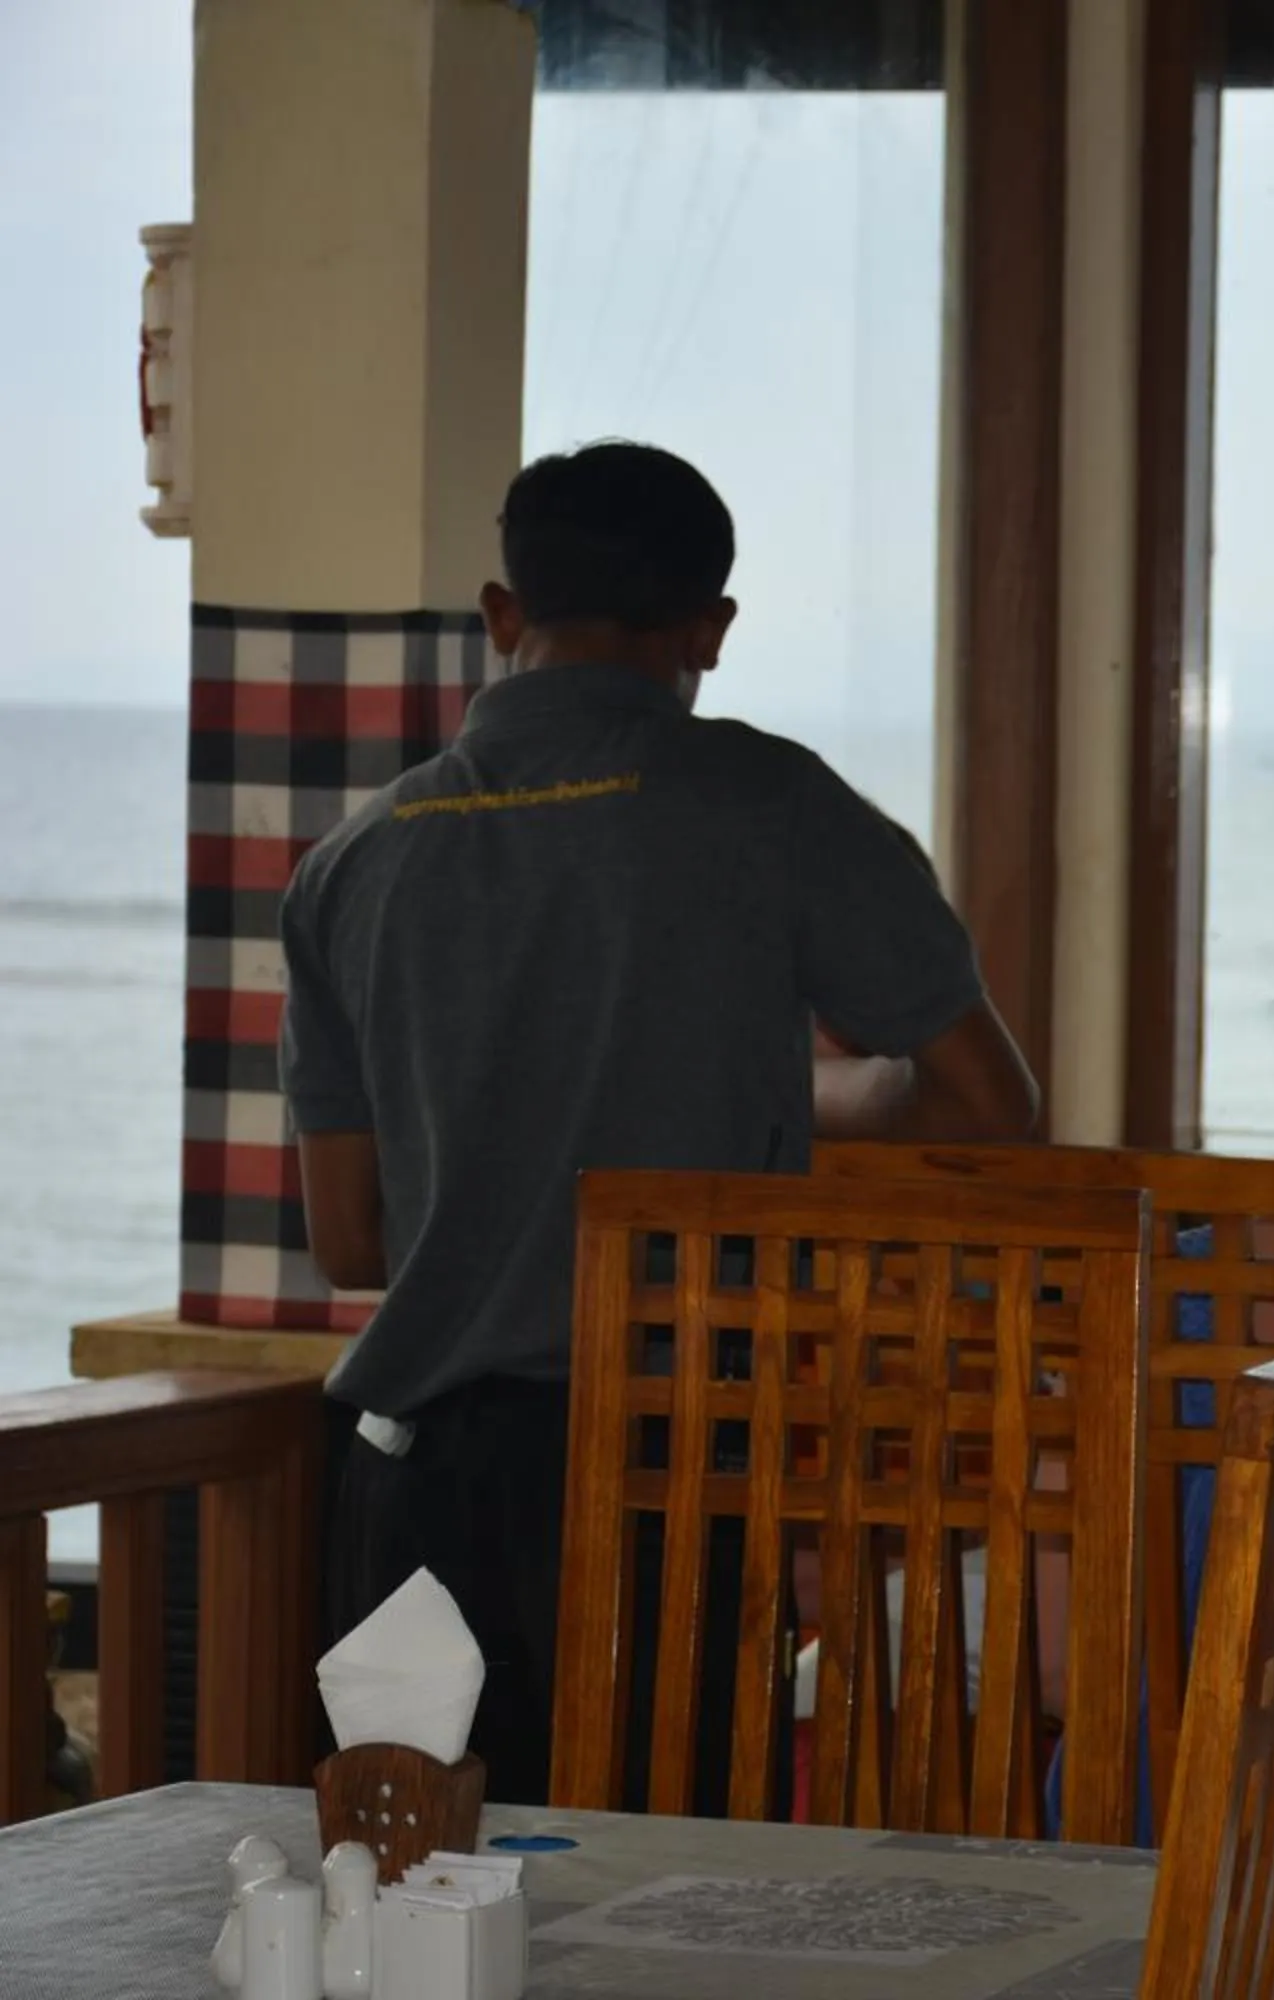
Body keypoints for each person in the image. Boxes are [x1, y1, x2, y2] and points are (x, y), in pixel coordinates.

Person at [282, 441, 1038, 1806]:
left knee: (414, 1893)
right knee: (653, 1901)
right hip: (666, 1470)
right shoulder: (773, 808)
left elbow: (348, 1240)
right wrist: (803, 1098)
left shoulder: (353, 866)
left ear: (501, 615)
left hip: (403, 1481)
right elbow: (993, 1109)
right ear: (712, 628)